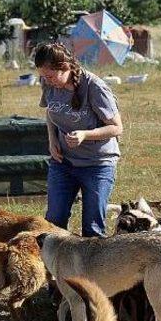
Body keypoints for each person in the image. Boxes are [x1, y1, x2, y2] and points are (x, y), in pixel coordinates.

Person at [35, 42, 122, 237]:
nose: (46, 81)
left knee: (92, 227)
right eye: (42, 77)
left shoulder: (94, 87)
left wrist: (85, 134)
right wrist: (52, 139)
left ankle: (91, 267)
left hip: (97, 164)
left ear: (64, 67)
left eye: (49, 76)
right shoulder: (49, 83)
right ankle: (54, 267)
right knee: (53, 222)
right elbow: (51, 112)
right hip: (63, 162)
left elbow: (117, 128)